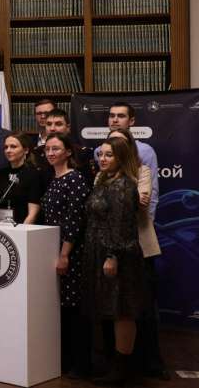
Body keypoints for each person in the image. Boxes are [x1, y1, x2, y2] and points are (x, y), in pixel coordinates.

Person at [82, 138, 148, 385]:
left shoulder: (124, 185)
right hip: (99, 251)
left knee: (123, 311)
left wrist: (112, 256)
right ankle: (112, 364)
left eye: (109, 155)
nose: (103, 159)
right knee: (111, 309)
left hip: (119, 256)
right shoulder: (103, 180)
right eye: (101, 154)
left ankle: (123, 370)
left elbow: (122, 227)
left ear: (121, 157)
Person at [107, 129, 166, 380]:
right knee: (116, 308)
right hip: (110, 246)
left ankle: (151, 363)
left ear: (128, 146)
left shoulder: (142, 171)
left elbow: (141, 202)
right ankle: (119, 363)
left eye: (120, 142)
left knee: (144, 307)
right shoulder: (103, 175)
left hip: (140, 246)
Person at [40, 133, 91, 378]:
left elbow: (74, 220)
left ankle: (81, 364)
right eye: (47, 149)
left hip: (71, 252)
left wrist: (64, 254)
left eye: (56, 149)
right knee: (62, 308)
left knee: (75, 310)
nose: (50, 153)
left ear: (68, 152)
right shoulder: (53, 179)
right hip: (52, 250)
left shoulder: (75, 179)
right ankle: (64, 360)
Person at [0, 132, 43, 224]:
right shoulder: (0, 174)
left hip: (23, 226)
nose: (8, 150)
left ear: (26, 150)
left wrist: (21, 230)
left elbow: (32, 214)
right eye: (6, 147)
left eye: (13, 147)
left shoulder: (33, 174)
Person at [37, 109, 96, 183]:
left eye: (58, 124)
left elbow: (88, 183)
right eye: (49, 124)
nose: (52, 128)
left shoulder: (83, 153)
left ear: (68, 128)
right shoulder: (37, 152)